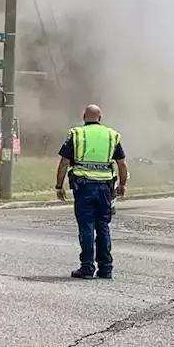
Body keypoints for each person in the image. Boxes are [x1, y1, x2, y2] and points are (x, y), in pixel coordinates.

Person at [56, 104, 127, 280]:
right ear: (100, 118)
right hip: (105, 188)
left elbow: (64, 162)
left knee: (86, 226)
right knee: (103, 226)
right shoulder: (112, 135)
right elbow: (121, 163)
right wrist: (122, 184)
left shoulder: (76, 134)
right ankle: (106, 268)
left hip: (84, 186)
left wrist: (59, 185)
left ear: (84, 117)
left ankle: (87, 268)